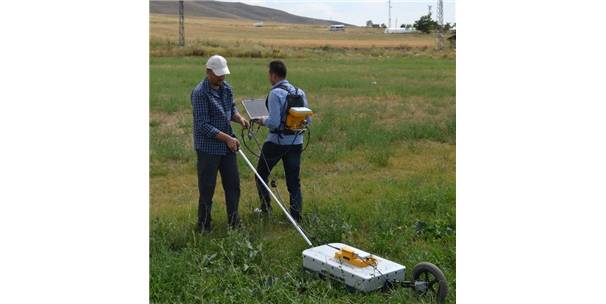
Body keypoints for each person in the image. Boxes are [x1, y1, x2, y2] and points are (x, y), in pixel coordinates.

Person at [191, 55, 250, 233]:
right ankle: (204, 225)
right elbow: (202, 125)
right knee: (207, 188)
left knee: (233, 185)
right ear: (208, 72)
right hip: (208, 149)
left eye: (223, 74)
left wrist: (239, 118)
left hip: (227, 147)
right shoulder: (200, 93)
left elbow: (230, 110)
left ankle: (234, 222)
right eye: (218, 74)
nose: (221, 77)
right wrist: (227, 138)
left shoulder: (226, 88)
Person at [253, 60, 310, 222]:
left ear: (273, 75)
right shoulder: (300, 92)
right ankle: (296, 216)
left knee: (261, 174)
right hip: (296, 142)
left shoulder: (275, 93)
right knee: (294, 181)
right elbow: (308, 120)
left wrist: (260, 120)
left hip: (276, 142)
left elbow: (274, 122)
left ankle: (265, 208)